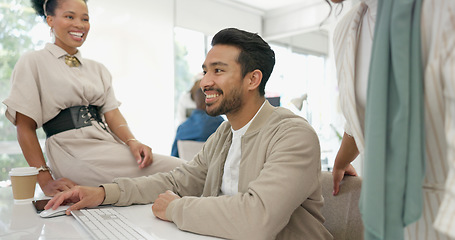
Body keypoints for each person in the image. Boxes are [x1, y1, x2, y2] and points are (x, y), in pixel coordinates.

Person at [45, 28, 333, 240]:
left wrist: (175, 209)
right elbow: (176, 181)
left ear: (252, 79)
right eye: (205, 71)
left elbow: (257, 219)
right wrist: (104, 193)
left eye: (218, 71)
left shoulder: (294, 135)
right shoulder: (224, 134)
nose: (205, 82)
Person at [2, 0, 184, 197]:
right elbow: (24, 126)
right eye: (70, 17)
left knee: (182, 174)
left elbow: (112, 114)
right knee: (182, 173)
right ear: (50, 20)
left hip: (107, 145)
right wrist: (45, 180)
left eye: (85, 19)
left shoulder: (98, 69)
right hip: (73, 152)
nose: (79, 25)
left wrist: (133, 142)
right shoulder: (33, 61)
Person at [329, 0, 455, 239]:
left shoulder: (441, 8)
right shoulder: (346, 30)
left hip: (444, 211)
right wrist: (340, 162)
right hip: (384, 210)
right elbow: (365, 115)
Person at [171, 79, 224, 158]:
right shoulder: (220, 124)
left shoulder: (182, 129)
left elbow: (174, 157)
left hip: (187, 168)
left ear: (195, 102)